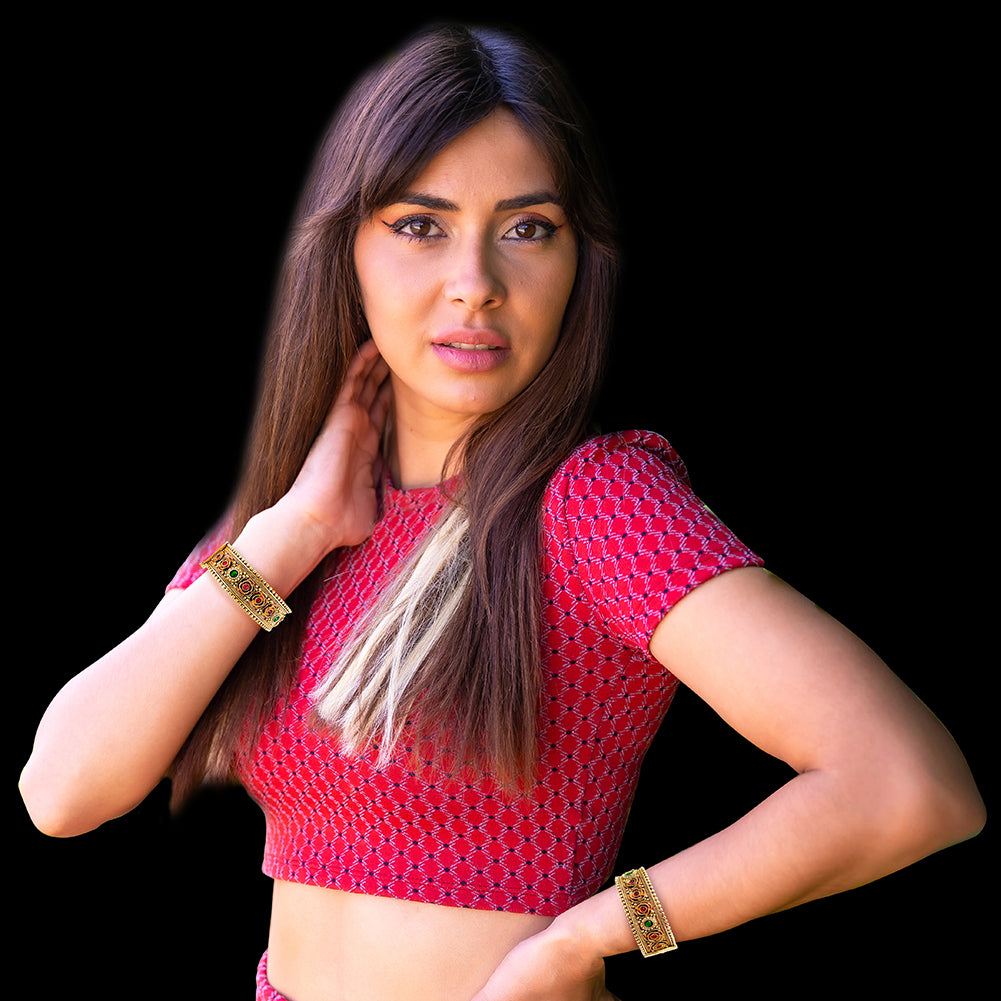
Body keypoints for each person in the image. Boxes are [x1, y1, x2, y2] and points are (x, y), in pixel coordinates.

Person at [19, 23, 985, 1001]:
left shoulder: (592, 502)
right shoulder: (296, 514)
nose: (475, 285)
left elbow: (906, 784)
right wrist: (291, 531)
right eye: (420, 225)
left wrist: (594, 935)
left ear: (578, 260)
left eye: (527, 228)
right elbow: (64, 790)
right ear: (346, 248)